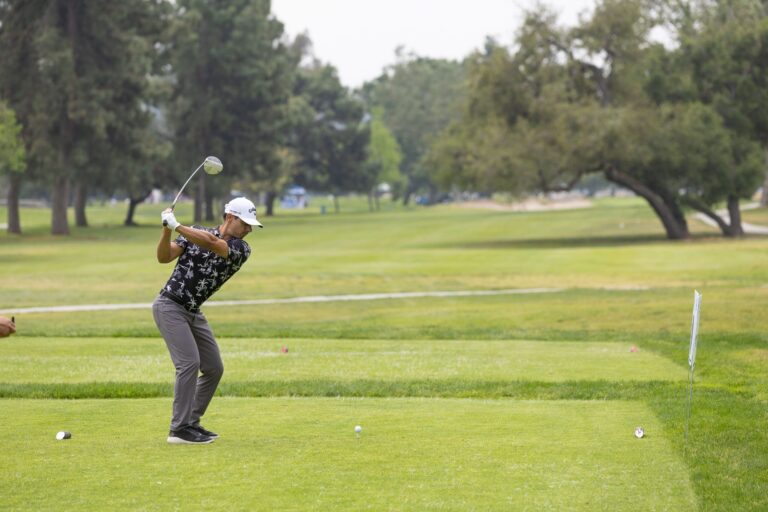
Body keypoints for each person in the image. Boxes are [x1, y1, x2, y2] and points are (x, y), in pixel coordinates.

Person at [153, 197, 262, 444]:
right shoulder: (196, 232)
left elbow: (214, 244)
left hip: (192, 311)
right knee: (189, 363)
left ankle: (191, 421)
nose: (249, 229)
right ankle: (179, 429)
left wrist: (177, 225)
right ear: (230, 217)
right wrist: (165, 229)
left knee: (213, 367)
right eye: (245, 223)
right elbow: (164, 257)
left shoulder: (241, 249)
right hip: (169, 305)